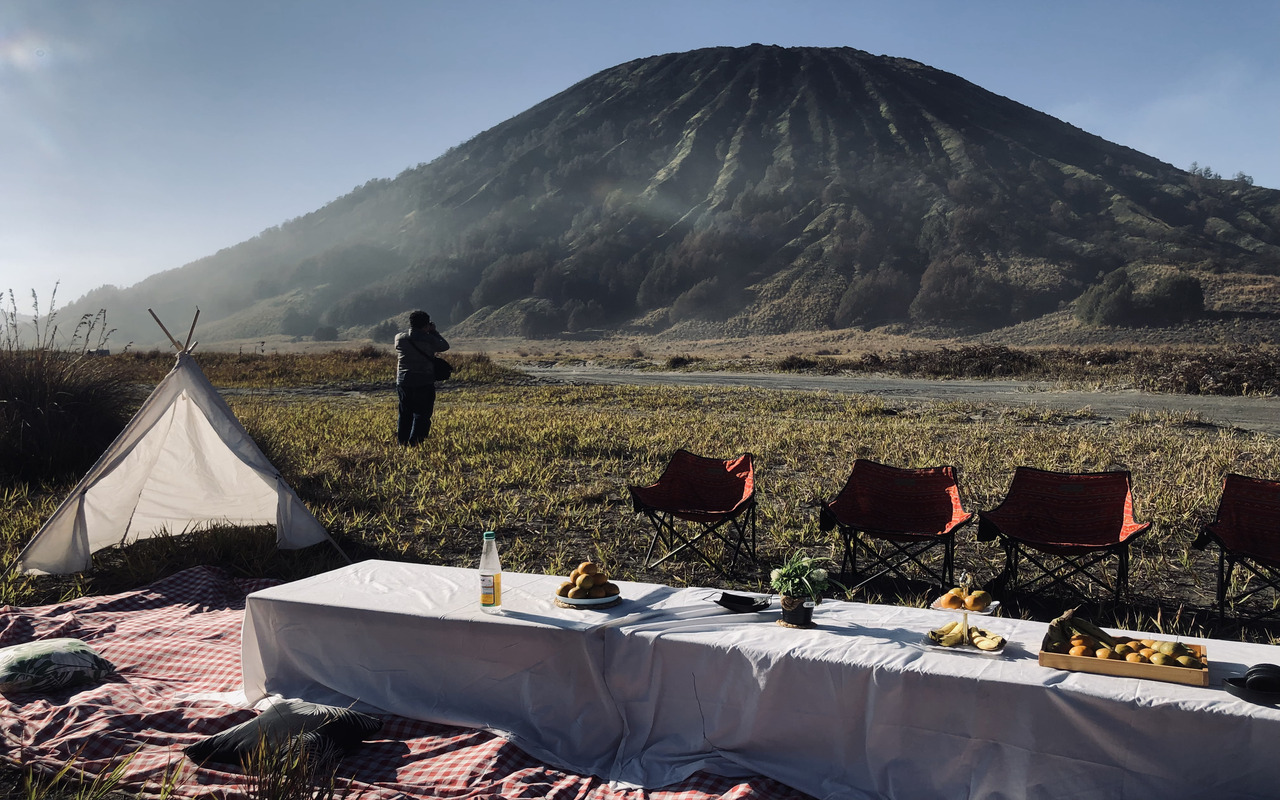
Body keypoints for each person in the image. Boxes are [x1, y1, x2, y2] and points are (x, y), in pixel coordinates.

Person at [394, 310, 450, 446]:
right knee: (422, 414)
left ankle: (402, 442)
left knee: (405, 413)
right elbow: (444, 346)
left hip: (403, 380)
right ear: (426, 324)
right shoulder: (428, 338)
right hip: (423, 380)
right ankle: (416, 442)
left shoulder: (399, 337)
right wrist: (433, 332)